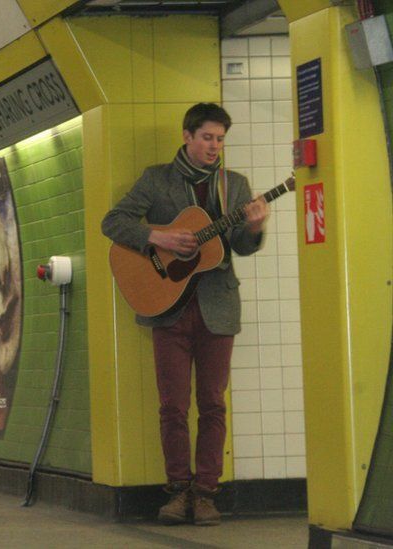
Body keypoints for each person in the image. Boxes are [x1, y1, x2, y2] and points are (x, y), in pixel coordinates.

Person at [101, 103, 268, 526]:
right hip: (167, 309)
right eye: (208, 137)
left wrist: (253, 227)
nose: (215, 146)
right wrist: (157, 235)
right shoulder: (157, 179)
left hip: (218, 305)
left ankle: (206, 493)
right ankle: (177, 492)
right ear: (187, 136)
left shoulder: (235, 185)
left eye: (220, 139)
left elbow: (242, 248)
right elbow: (113, 221)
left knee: (213, 404)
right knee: (172, 406)